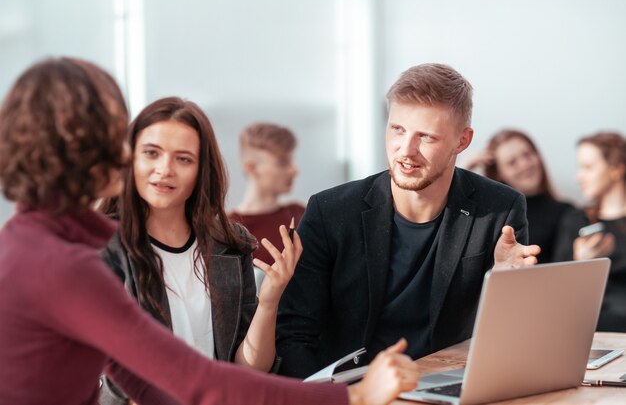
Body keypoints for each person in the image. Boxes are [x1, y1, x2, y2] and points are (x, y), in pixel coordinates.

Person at [0, 57, 420, 405]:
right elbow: (196, 380)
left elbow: (143, 381)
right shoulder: (62, 265)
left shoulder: (30, 244)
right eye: (118, 135)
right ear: (82, 148)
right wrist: (357, 397)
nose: (125, 152)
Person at [276, 63, 541, 378]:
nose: (406, 150)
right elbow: (293, 334)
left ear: (462, 141)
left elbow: (512, 339)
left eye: (426, 136)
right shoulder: (330, 211)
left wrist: (504, 285)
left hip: (448, 388)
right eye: (397, 129)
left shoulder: (500, 209)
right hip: (353, 393)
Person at [97, 99, 296, 403]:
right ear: (130, 160)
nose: (165, 170)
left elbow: (248, 367)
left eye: (183, 159)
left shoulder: (231, 244)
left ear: (201, 170)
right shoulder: (101, 246)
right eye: (152, 153)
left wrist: (270, 301)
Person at [463, 129, 574, 263]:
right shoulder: (492, 216)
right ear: (499, 173)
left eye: (527, 155)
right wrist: (464, 168)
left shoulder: (567, 212)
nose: (524, 164)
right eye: (512, 162)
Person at [553, 132, 626, 331]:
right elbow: (557, 292)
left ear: (616, 169)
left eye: (588, 168)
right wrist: (580, 262)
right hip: (592, 331)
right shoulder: (575, 220)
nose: (579, 176)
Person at [229, 122, 305, 289]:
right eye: (283, 163)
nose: (294, 170)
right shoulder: (226, 229)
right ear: (252, 167)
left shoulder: (302, 215)